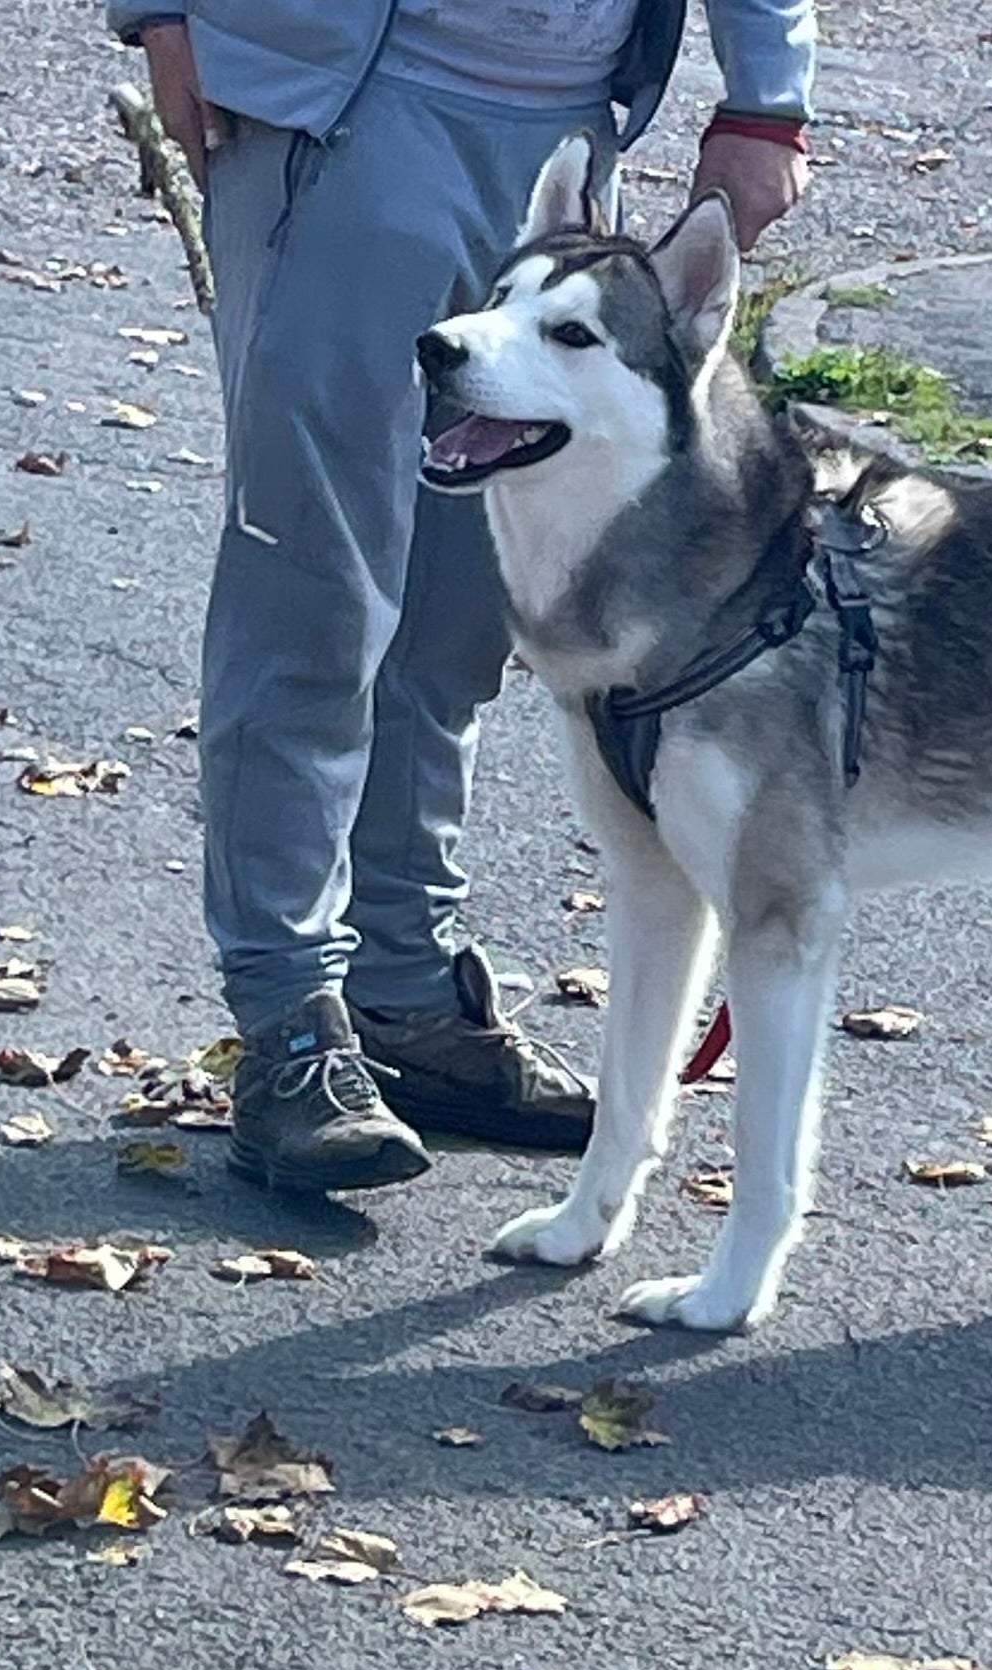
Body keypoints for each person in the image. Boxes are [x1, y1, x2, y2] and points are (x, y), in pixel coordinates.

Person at [107, 0, 817, 1191]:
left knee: (467, 605)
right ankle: (288, 1015)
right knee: (315, 590)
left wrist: (765, 96)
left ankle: (404, 990)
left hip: (563, 119)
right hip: (336, 105)